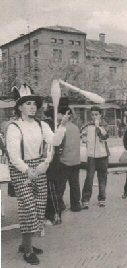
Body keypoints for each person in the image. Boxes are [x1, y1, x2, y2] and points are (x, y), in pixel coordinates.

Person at [6, 86, 68, 265]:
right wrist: (27, 170)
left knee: (40, 207)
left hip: (39, 168)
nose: (33, 107)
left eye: (34, 104)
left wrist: (62, 127)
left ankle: (26, 244)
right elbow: (14, 156)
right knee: (28, 209)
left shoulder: (42, 125)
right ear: (20, 107)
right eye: (28, 104)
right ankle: (27, 251)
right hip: (21, 169)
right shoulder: (14, 127)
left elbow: (54, 141)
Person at [81, 106, 110, 208]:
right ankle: (85, 199)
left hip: (103, 155)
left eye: (96, 114)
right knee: (89, 178)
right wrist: (84, 138)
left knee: (102, 178)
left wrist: (98, 127)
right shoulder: (88, 125)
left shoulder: (104, 125)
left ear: (100, 115)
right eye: (92, 115)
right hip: (91, 156)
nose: (94, 117)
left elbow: (104, 137)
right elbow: (81, 133)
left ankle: (102, 198)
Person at [56, 103, 82, 212]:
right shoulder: (76, 128)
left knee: (60, 185)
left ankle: (59, 205)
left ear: (63, 115)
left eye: (58, 114)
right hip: (76, 161)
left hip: (64, 161)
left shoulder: (61, 128)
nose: (57, 116)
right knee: (75, 184)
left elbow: (58, 144)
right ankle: (76, 205)